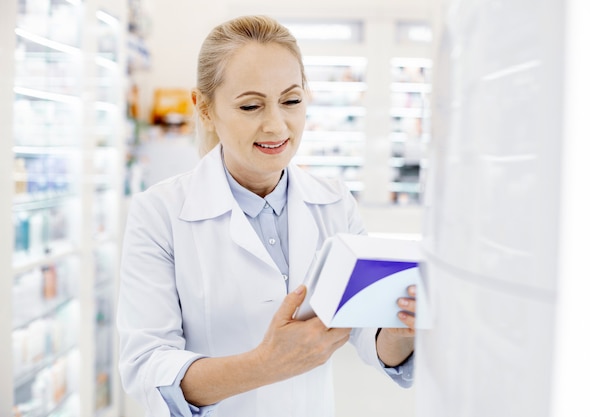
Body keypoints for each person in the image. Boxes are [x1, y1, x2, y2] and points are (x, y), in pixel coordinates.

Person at [117, 15, 416, 417]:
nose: (276, 125)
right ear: (204, 109)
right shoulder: (160, 213)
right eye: (251, 105)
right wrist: (265, 365)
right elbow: (148, 365)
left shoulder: (334, 202)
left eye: (291, 101)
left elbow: (363, 328)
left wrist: (399, 331)